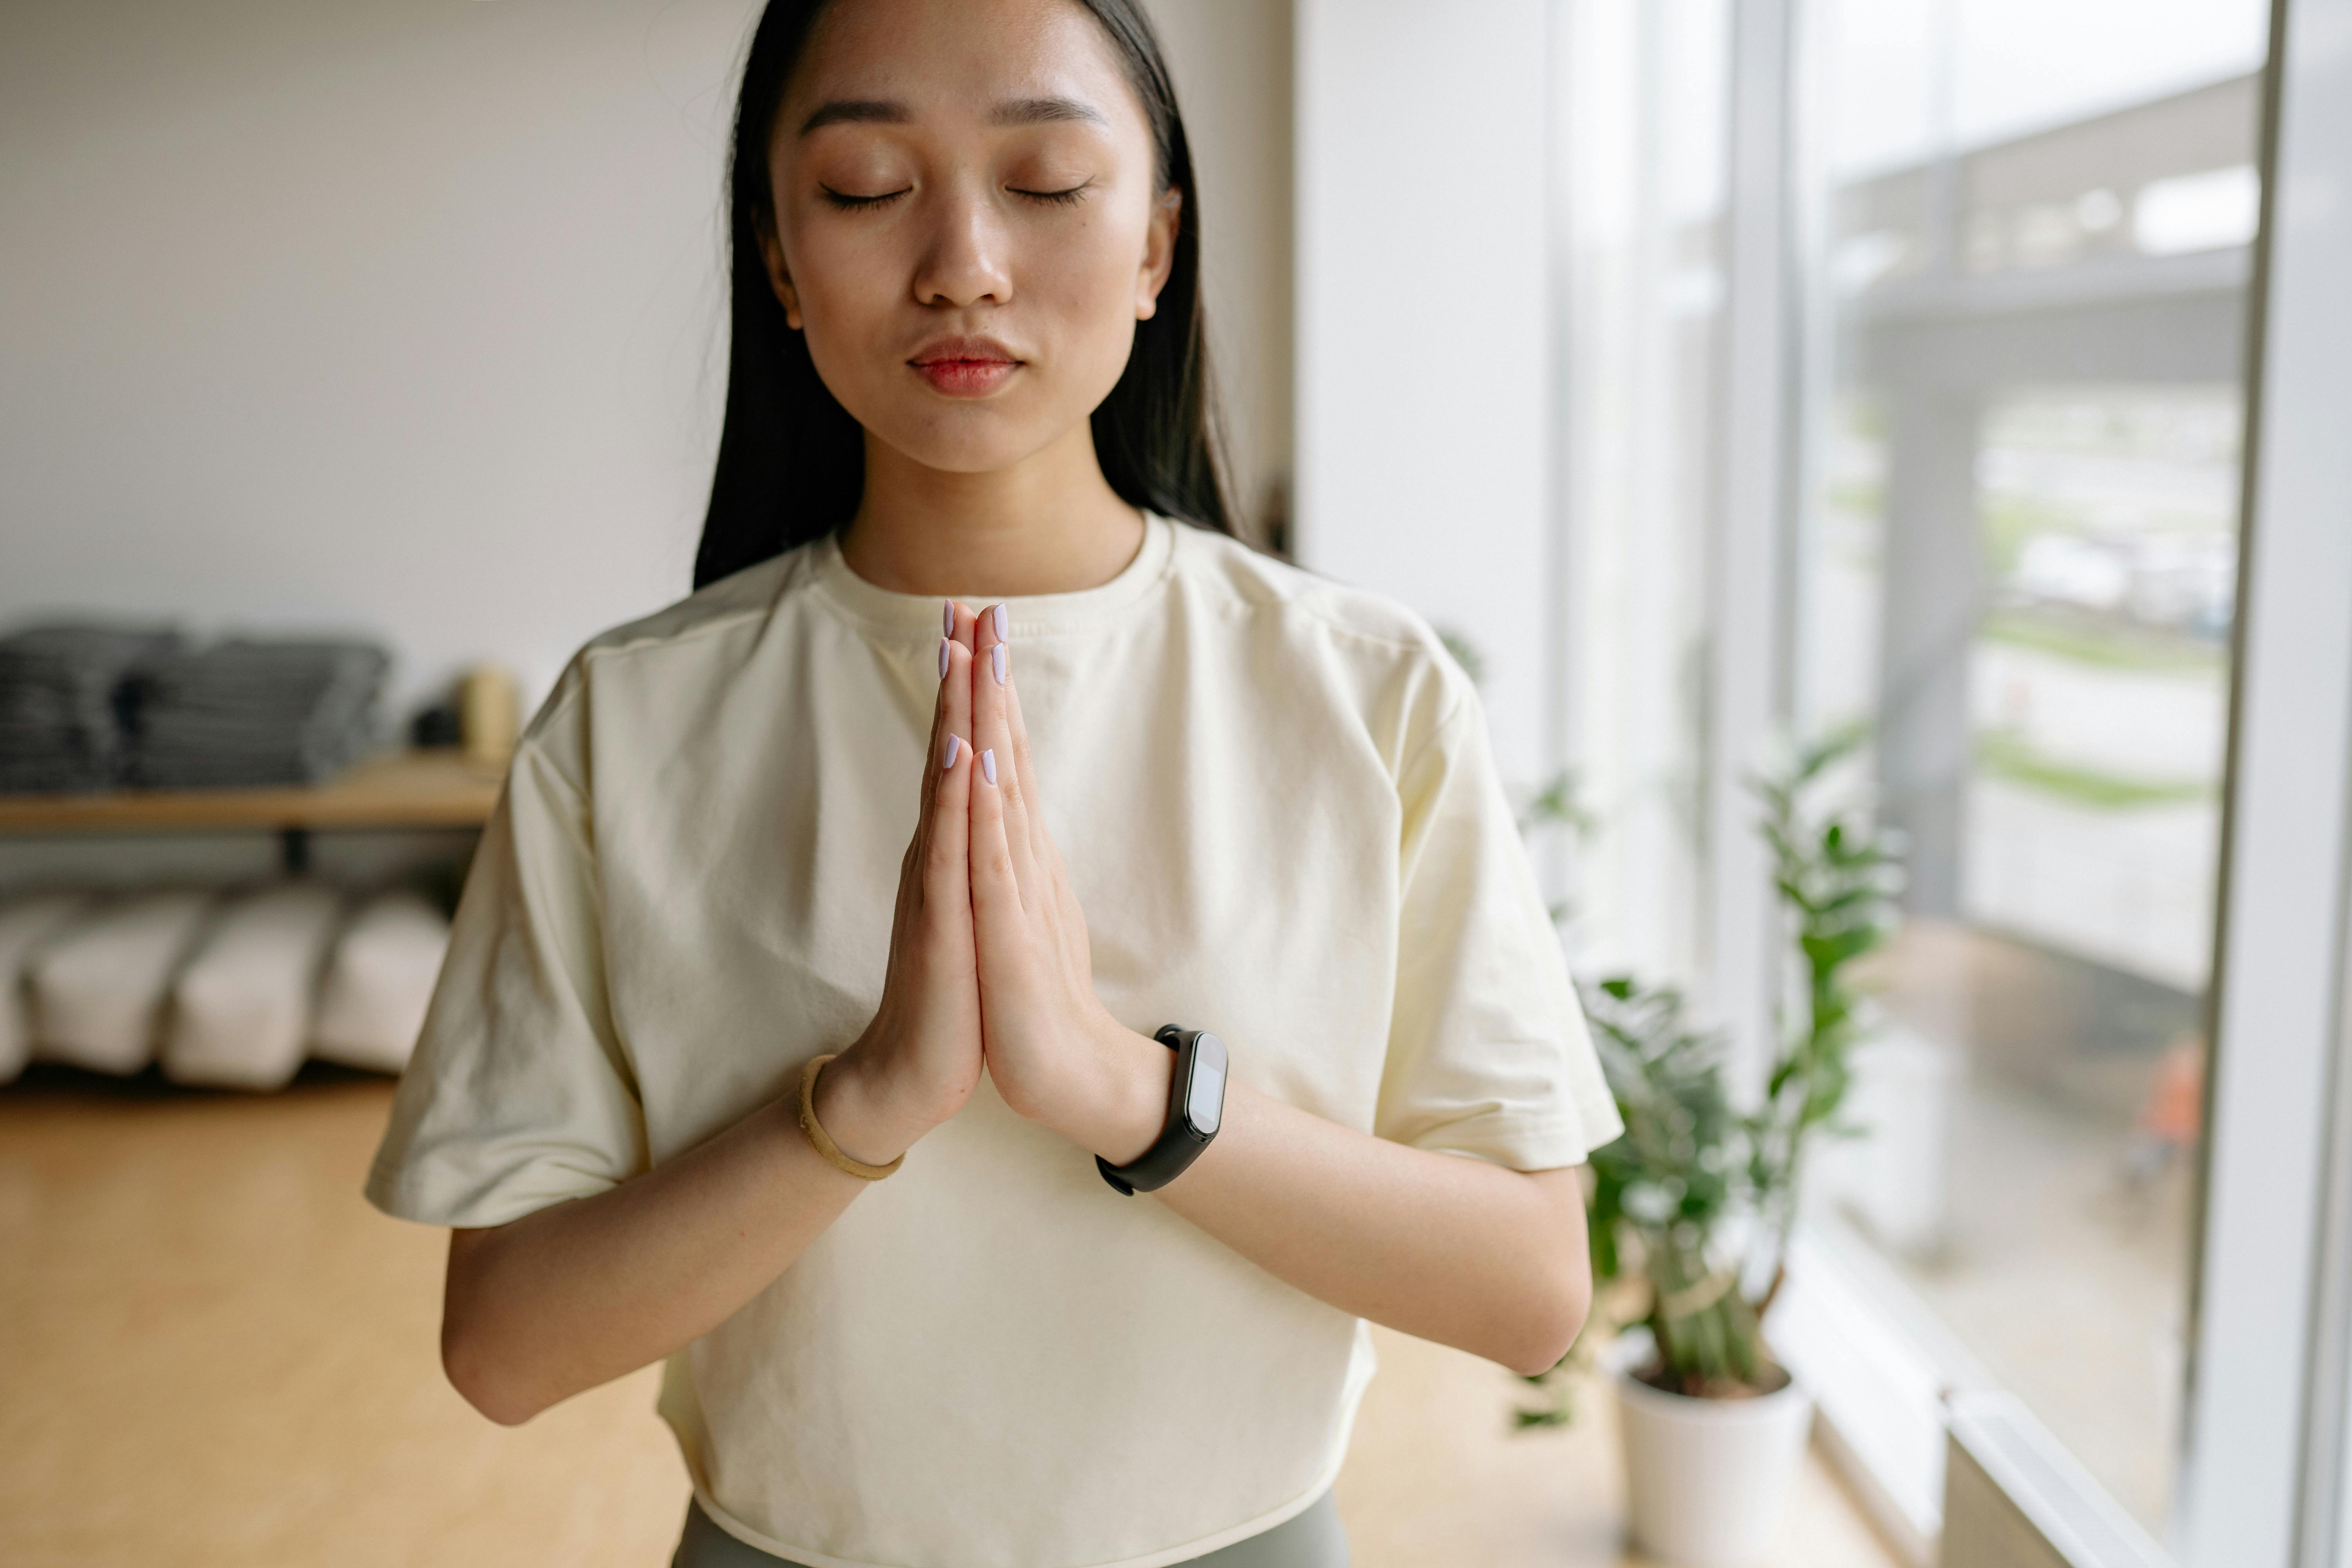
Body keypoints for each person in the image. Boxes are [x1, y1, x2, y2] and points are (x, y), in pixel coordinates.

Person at [365, 0, 1622, 1564]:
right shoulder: (627, 725)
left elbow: (1531, 1285)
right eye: (866, 188)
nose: (962, 258)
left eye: (1043, 182)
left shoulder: (1364, 693)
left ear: (1159, 245)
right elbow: (505, 1345)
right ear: (777, 257)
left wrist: (1116, 1085)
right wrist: (868, 1102)